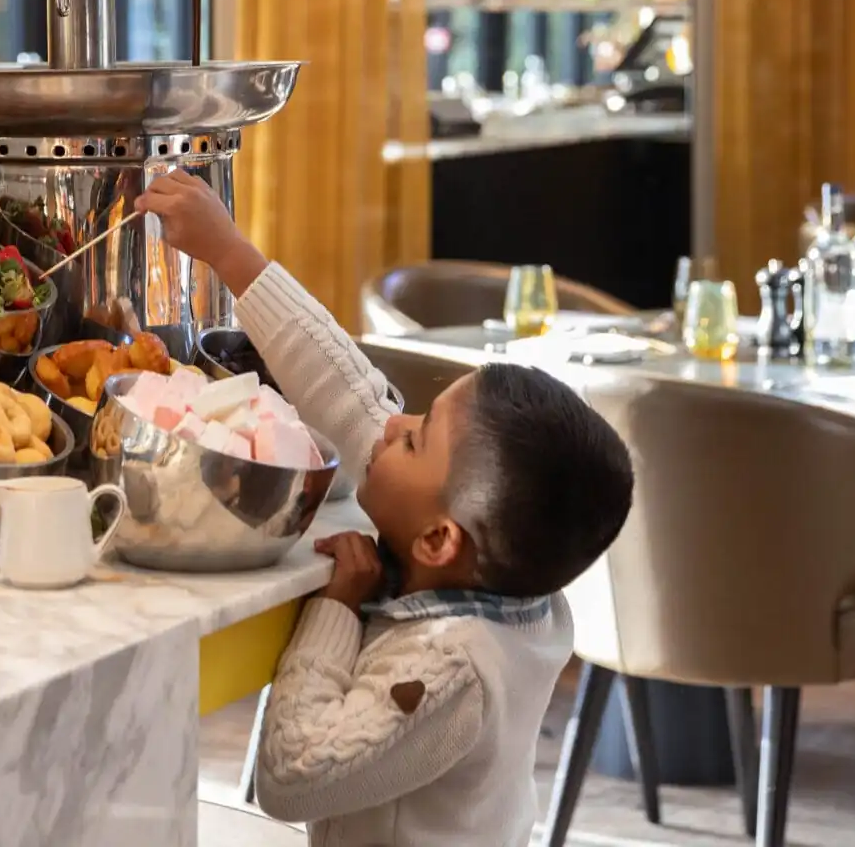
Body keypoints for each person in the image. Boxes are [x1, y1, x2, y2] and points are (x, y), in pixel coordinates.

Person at [135, 171, 635, 847]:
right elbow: (349, 391)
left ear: (436, 540)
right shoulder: (505, 569)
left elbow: (292, 777)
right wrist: (231, 254)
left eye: (417, 438)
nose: (394, 422)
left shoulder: (450, 671)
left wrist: (336, 611)